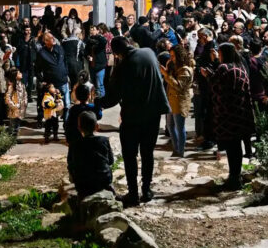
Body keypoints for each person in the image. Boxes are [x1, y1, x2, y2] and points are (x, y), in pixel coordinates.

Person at [95, 37, 170, 206]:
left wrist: (98, 102)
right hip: (153, 114)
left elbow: (112, 98)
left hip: (133, 116)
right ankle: (147, 190)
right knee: (147, 153)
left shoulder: (123, 67)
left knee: (130, 155)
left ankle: (133, 193)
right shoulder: (149, 53)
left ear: (116, 53)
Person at [202, 42, 255, 190]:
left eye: (219, 53)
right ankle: (235, 176)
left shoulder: (224, 68)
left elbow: (217, 86)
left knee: (232, 148)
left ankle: (233, 178)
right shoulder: (240, 68)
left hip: (227, 115)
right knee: (237, 147)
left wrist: (208, 76)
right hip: (241, 113)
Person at [67, 110, 114, 198]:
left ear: (79, 127)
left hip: (82, 184)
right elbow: (111, 161)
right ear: (96, 126)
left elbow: (70, 163)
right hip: (103, 180)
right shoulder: (103, 140)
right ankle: (108, 187)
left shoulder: (74, 144)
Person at [160, 41, 194, 158]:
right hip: (171, 100)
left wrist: (166, 74)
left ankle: (180, 150)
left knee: (179, 127)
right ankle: (175, 149)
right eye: (171, 55)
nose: (172, 58)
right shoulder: (174, 66)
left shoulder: (185, 70)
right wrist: (168, 69)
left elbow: (178, 86)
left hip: (179, 101)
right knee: (170, 125)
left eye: (173, 56)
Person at [35, 31, 70, 110]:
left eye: (53, 37)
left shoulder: (59, 48)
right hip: (51, 84)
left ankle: (66, 121)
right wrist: (42, 80)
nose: (53, 39)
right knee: (52, 106)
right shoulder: (42, 53)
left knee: (67, 105)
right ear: (46, 41)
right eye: (51, 38)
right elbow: (37, 69)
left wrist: (66, 73)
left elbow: (65, 61)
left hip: (63, 81)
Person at [86, 24, 108, 99]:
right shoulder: (89, 40)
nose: (92, 31)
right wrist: (88, 56)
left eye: (93, 29)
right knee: (94, 84)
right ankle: (97, 100)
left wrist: (97, 35)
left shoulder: (100, 39)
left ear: (97, 31)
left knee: (100, 84)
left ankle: (102, 101)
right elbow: (85, 51)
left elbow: (104, 42)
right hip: (92, 65)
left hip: (100, 65)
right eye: (91, 30)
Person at [4, 68, 27, 136]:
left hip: (20, 108)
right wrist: (13, 105)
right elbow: (7, 97)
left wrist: (25, 102)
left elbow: (25, 94)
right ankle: (11, 138)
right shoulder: (11, 86)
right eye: (19, 73)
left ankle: (15, 137)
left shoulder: (22, 85)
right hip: (14, 109)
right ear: (15, 76)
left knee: (17, 124)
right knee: (12, 124)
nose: (21, 74)